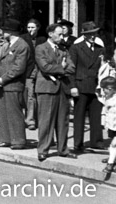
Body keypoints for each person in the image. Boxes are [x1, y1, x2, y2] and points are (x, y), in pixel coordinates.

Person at [35, 23, 76, 162]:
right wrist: (61, 68)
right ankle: (43, 150)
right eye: (59, 34)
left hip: (62, 88)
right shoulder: (41, 48)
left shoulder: (64, 49)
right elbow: (44, 67)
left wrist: (60, 69)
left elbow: (71, 67)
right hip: (47, 88)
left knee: (63, 121)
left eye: (62, 34)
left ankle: (63, 149)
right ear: (50, 34)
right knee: (46, 120)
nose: (62, 37)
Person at [68, 21, 106, 153]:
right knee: (79, 116)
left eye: (94, 33)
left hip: (96, 87)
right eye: (90, 34)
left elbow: (103, 68)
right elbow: (71, 69)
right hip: (80, 85)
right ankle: (78, 143)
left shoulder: (100, 48)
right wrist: (72, 86)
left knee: (96, 115)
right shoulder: (76, 48)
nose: (93, 36)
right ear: (84, 35)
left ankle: (97, 141)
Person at [0, 19, 29, 150]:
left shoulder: (21, 46)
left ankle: (18, 140)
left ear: (11, 31)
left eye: (5, 30)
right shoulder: (7, 45)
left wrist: (3, 79)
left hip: (14, 84)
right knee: (4, 112)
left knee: (15, 113)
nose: (2, 33)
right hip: (4, 85)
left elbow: (18, 67)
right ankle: (5, 138)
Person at [24, 18, 45, 131]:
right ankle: (30, 120)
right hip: (28, 71)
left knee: (38, 96)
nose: (30, 29)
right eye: (29, 27)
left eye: (32, 27)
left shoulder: (42, 39)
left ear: (37, 28)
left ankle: (38, 118)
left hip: (40, 71)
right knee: (30, 96)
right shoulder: (23, 38)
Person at [98, 76, 116, 174]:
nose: (103, 91)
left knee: (114, 144)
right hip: (112, 125)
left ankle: (110, 164)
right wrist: (103, 122)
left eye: (104, 89)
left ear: (110, 89)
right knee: (113, 142)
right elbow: (105, 111)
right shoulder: (107, 98)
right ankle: (113, 157)